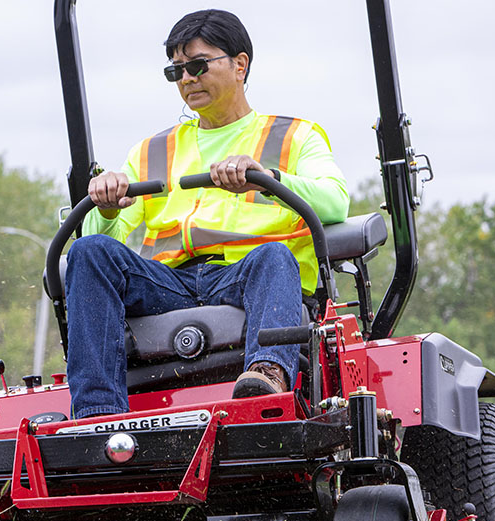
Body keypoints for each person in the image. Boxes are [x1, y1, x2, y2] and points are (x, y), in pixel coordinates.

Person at [66, 9, 348, 419]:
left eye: (197, 65)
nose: (187, 79)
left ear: (240, 64)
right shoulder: (150, 152)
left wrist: (265, 178)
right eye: (176, 70)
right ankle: (96, 413)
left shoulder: (294, 136)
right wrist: (106, 208)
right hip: (169, 283)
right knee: (88, 251)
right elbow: (106, 236)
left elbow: (335, 202)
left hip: (247, 277)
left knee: (273, 257)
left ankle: (267, 374)